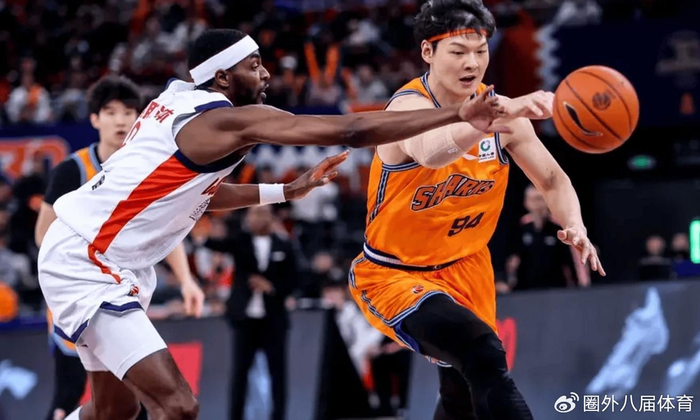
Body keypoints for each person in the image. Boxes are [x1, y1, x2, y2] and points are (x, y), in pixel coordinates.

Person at [38, 28, 506, 420]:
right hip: (88, 259)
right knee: (178, 406)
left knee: (114, 412)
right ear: (223, 77)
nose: (266, 74)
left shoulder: (177, 102)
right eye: (255, 65)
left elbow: (200, 193)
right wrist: (459, 112)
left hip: (107, 256)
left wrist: (286, 191)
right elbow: (350, 130)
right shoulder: (220, 123)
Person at [348, 0, 605, 420]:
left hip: (468, 267)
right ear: (428, 52)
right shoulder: (407, 106)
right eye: (458, 52)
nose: (472, 63)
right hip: (395, 272)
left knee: (462, 392)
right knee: (481, 350)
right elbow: (433, 152)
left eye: (481, 51)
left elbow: (551, 179)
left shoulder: (505, 115)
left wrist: (575, 224)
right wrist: (494, 117)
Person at [34, 75, 205, 420]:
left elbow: (162, 232)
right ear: (95, 119)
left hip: (124, 290)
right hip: (81, 290)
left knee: (124, 405)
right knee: (69, 392)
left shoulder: (147, 166)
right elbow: (43, 235)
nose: (121, 120)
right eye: (111, 112)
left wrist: (187, 280)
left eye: (128, 112)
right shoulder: (73, 169)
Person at [202, 205, 297, 420]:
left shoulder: (284, 244)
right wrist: (200, 228)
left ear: (271, 218)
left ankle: (279, 416)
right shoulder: (240, 241)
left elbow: (294, 280)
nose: (257, 218)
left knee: (278, 373)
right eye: (253, 214)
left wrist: (271, 287)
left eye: (262, 214)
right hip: (244, 320)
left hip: (273, 320)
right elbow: (214, 243)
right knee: (239, 373)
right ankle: (234, 416)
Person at [505, 185, 581, 291]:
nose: (537, 204)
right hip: (526, 289)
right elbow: (512, 259)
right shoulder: (520, 227)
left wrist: (578, 286)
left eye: (540, 199)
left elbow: (571, 261)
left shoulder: (560, 227)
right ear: (526, 203)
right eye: (533, 200)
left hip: (556, 288)